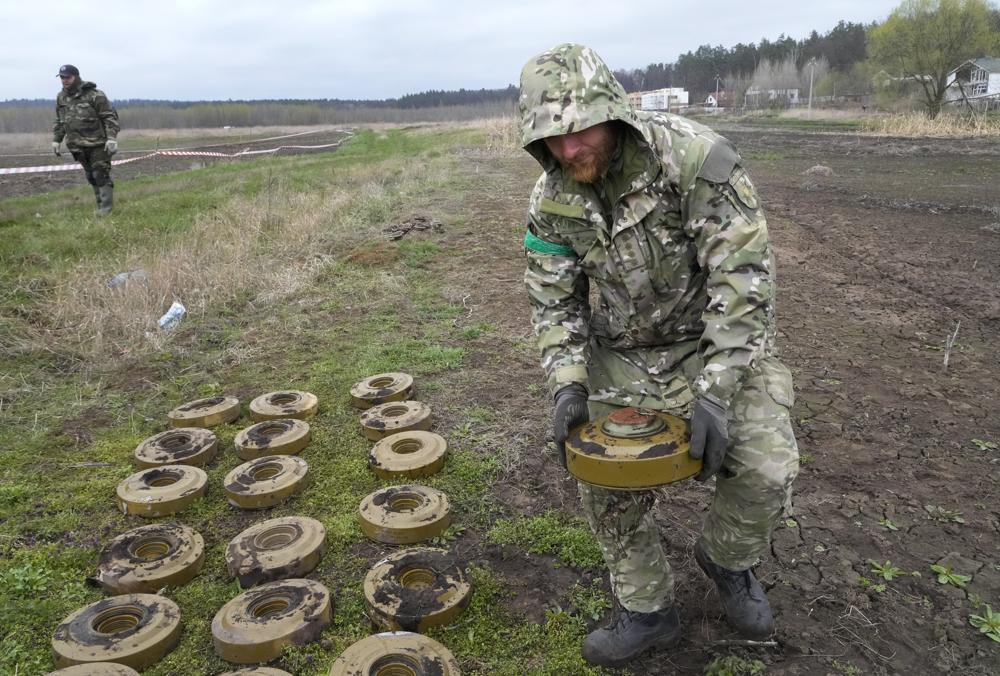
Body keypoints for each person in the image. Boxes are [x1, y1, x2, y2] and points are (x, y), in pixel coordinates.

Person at [519, 44, 800, 667]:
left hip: (711, 346)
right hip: (620, 358)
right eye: (551, 138)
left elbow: (744, 280)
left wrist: (717, 391)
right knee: (602, 477)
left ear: (613, 113)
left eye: (578, 130)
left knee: (765, 467)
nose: (569, 150)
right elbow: (553, 301)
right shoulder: (550, 200)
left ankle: (728, 561)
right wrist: (568, 383)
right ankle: (648, 610)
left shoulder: (697, 160)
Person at [52, 64, 120, 215]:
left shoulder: (95, 95)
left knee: (100, 174)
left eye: (68, 77)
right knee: (90, 176)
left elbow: (110, 117)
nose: (65, 80)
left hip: (98, 144)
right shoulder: (61, 97)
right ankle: (100, 205)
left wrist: (112, 138)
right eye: (62, 78)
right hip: (77, 145)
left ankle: (106, 210)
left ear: (76, 76)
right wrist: (57, 139)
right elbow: (60, 120)